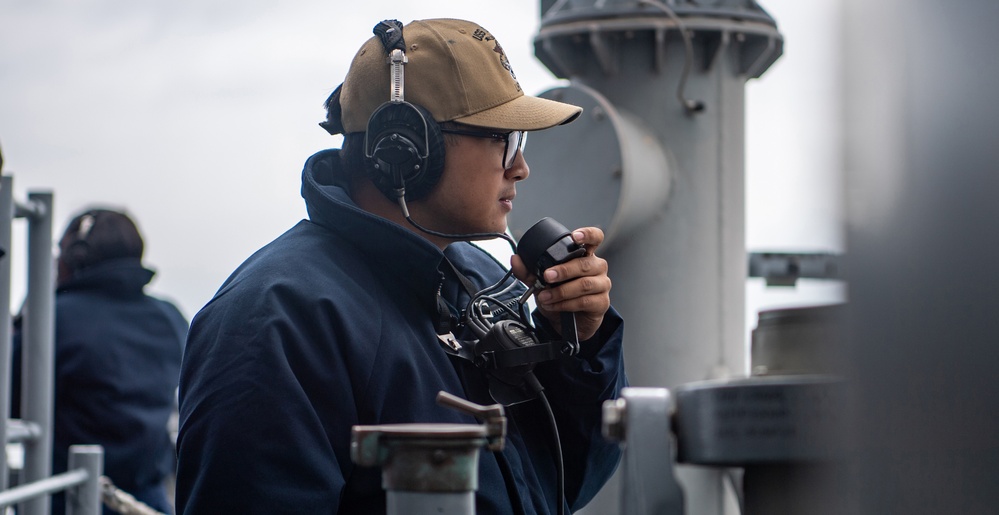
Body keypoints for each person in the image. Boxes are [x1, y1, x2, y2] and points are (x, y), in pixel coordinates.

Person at [176, 18, 626, 514]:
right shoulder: (275, 318)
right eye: (507, 138)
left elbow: (563, 484)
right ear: (409, 148)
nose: (521, 167)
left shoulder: (476, 277)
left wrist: (579, 344)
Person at [11, 208, 188, 515]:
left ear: (74, 255)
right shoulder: (170, 317)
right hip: (149, 499)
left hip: (64, 497)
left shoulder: (52, 317)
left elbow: (12, 403)